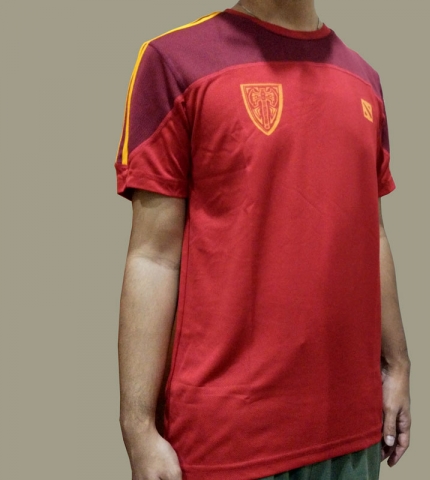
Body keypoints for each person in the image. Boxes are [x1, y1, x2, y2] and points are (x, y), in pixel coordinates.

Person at [115, 1, 411, 479]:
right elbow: (153, 257)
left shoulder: (364, 78)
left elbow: (371, 233)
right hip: (229, 437)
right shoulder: (174, 62)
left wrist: (397, 365)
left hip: (352, 428)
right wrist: (138, 428)